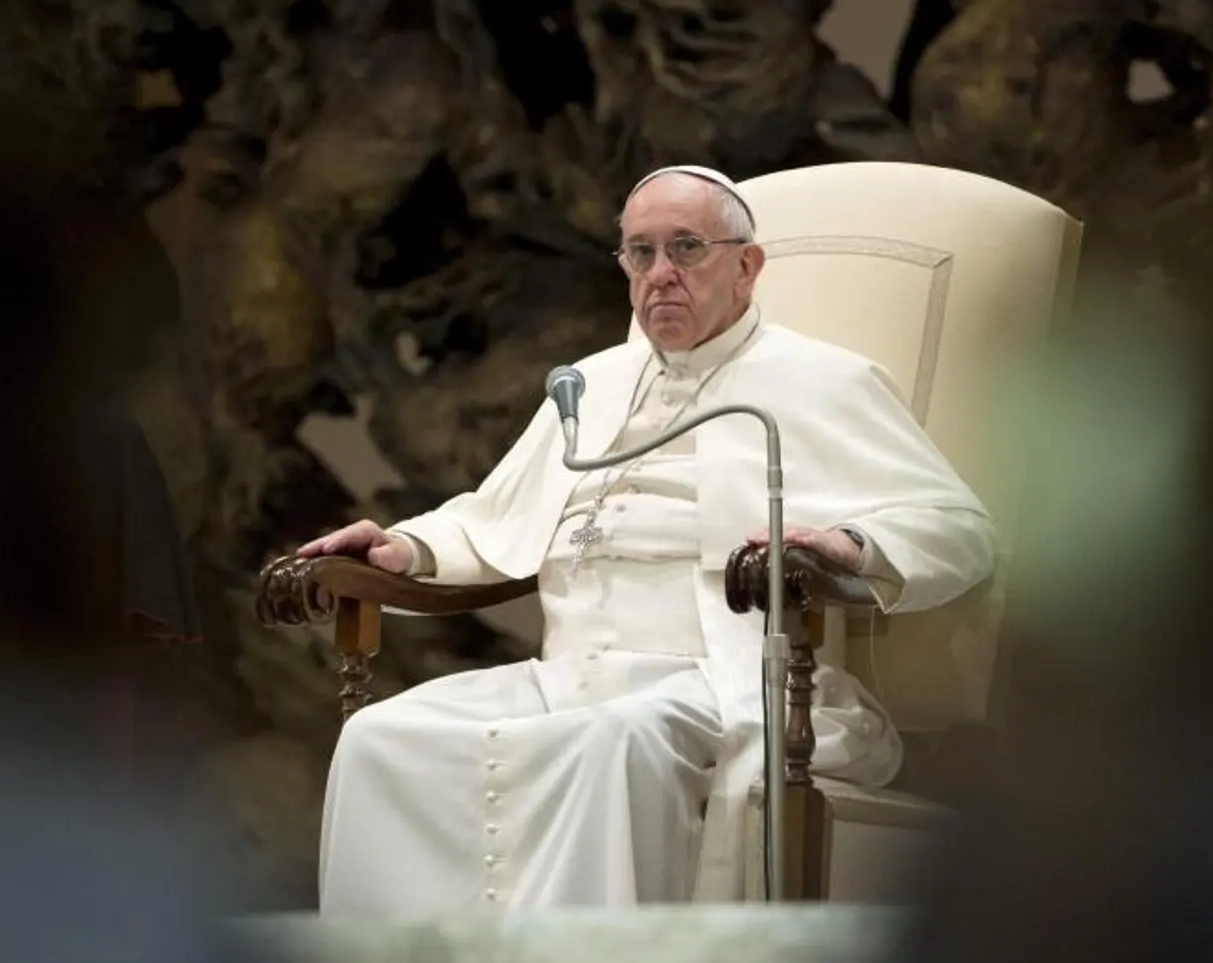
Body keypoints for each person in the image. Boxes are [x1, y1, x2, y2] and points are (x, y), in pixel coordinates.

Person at [295, 165, 994, 912]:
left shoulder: (824, 381)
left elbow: (959, 527)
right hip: (564, 677)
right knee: (380, 735)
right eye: (640, 253)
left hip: (714, 678)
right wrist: (403, 550)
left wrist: (849, 547)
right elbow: (493, 516)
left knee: (615, 739)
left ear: (747, 266)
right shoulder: (587, 386)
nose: (661, 274)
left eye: (686, 248)